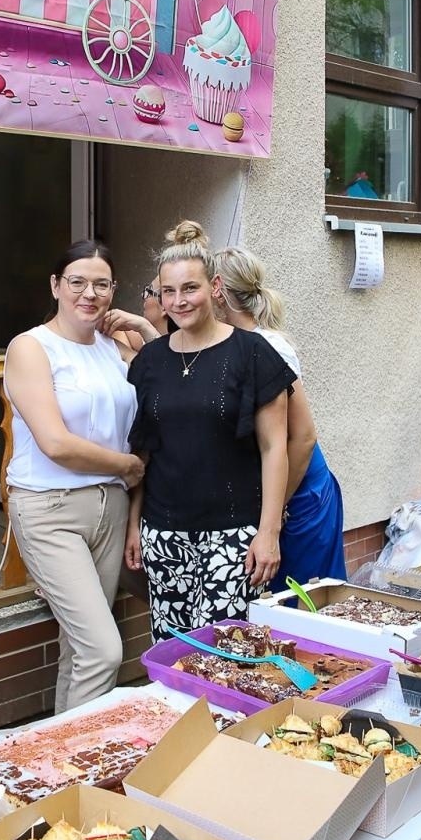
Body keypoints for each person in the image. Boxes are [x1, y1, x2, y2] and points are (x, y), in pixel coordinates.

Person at [123, 221, 295, 641]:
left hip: (234, 536)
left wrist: (268, 531)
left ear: (214, 286)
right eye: (169, 292)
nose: (179, 301)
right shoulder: (149, 362)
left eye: (190, 288)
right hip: (164, 533)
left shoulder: (253, 353)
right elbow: (145, 451)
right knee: (171, 654)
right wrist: (134, 526)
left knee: (229, 655)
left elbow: (276, 447)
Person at [2, 241, 143, 712]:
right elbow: (55, 443)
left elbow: (163, 397)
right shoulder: (31, 347)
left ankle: (58, 765)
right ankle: (80, 763)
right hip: (52, 509)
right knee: (104, 649)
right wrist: (125, 466)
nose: (89, 293)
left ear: (113, 290)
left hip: (111, 508)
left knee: (80, 648)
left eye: (101, 284)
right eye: (77, 282)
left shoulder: (116, 348)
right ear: (56, 286)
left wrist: (144, 328)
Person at [212, 245, 345, 590]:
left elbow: (302, 438)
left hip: (303, 495)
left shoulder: (266, 345)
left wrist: (275, 511)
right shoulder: (233, 343)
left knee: (305, 605)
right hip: (284, 493)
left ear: (220, 293)